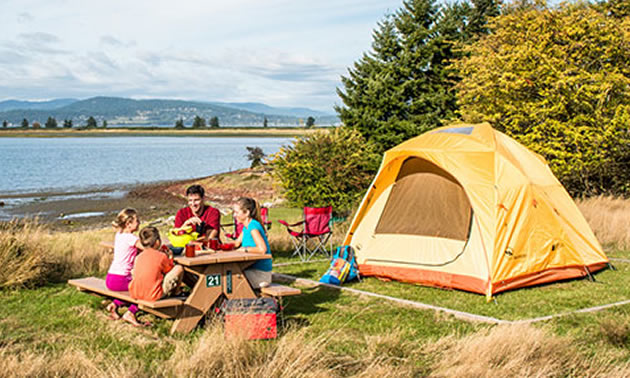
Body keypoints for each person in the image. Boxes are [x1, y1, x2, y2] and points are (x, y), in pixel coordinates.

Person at [105, 208, 145, 326]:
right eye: (137, 221)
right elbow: (147, 248)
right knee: (144, 290)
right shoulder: (131, 238)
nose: (139, 223)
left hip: (111, 277)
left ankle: (115, 305)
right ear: (128, 224)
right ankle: (131, 312)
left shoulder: (119, 235)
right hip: (121, 279)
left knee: (130, 290)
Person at [130, 226, 184, 303]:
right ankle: (176, 292)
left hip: (136, 293)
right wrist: (170, 257)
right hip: (154, 295)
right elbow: (169, 270)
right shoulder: (161, 256)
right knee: (179, 268)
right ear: (157, 242)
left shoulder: (138, 257)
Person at [232, 197, 272, 289]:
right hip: (251, 270)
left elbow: (262, 249)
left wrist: (245, 250)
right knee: (228, 275)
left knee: (229, 278)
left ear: (246, 213)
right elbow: (237, 243)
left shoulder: (253, 226)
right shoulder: (246, 227)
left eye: (237, 212)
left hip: (260, 275)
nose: (234, 215)